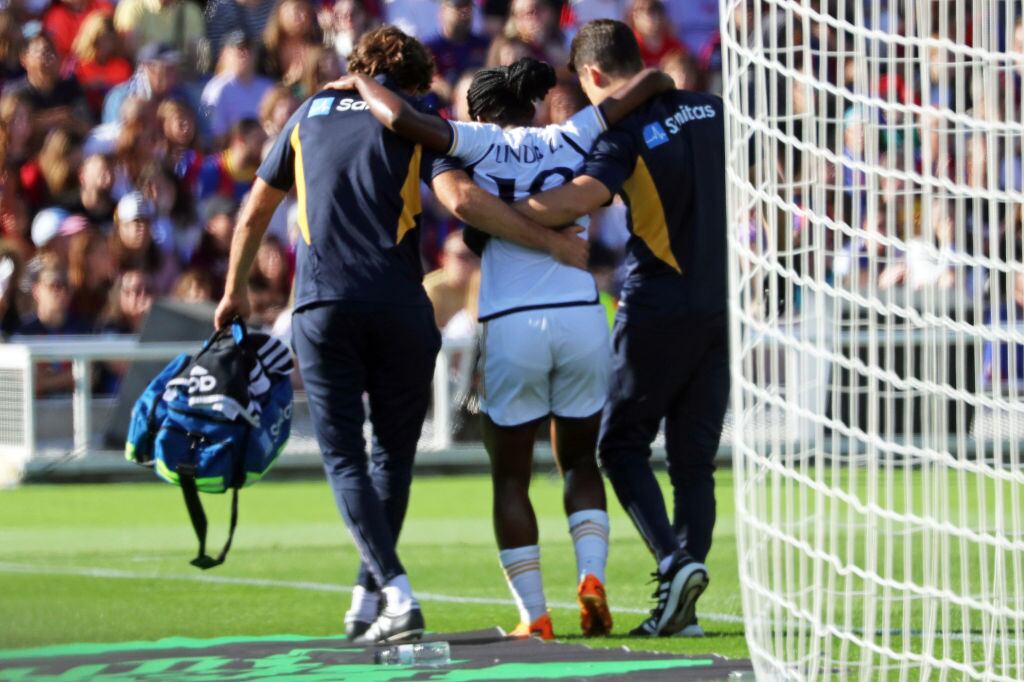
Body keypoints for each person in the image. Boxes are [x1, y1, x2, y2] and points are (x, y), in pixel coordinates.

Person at [214, 26, 588, 646]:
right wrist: (550, 241)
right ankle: (369, 599)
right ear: (415, 80)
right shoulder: (420, 116)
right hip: (399, 308)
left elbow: (255, 211)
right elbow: (461, 199)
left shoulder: (307, 114)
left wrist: (232, 292)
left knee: (343, 458)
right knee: (392, 457)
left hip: (323, 305)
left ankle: (392, 588)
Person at [333, 54, 672, 639]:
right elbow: (647, 85)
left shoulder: (476, 142)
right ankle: (592, 579)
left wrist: (360, 79)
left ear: (482, 110)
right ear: (532, 103)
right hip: (581, 315)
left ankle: (535, 615)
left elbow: (402, 120)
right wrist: (660, 80)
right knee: (581, 461)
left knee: (510, 478)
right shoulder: (572, 131)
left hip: (513, 323)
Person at [514, 19, 727, 637]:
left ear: (596, 77)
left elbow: (580, 198)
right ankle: (680, 604)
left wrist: (501, 210)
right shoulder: (711, 110)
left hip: (659, 303)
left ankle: (673, 559)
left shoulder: (623, 130)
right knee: (694, 461)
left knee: (619, 445)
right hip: (722, 307)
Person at [202, 31, 274, 144]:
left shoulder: (268, 86)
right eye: (238, 49)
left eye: (248, 48)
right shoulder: (217, 89)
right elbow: (216, 135)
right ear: (224, 54)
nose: (244, 53)